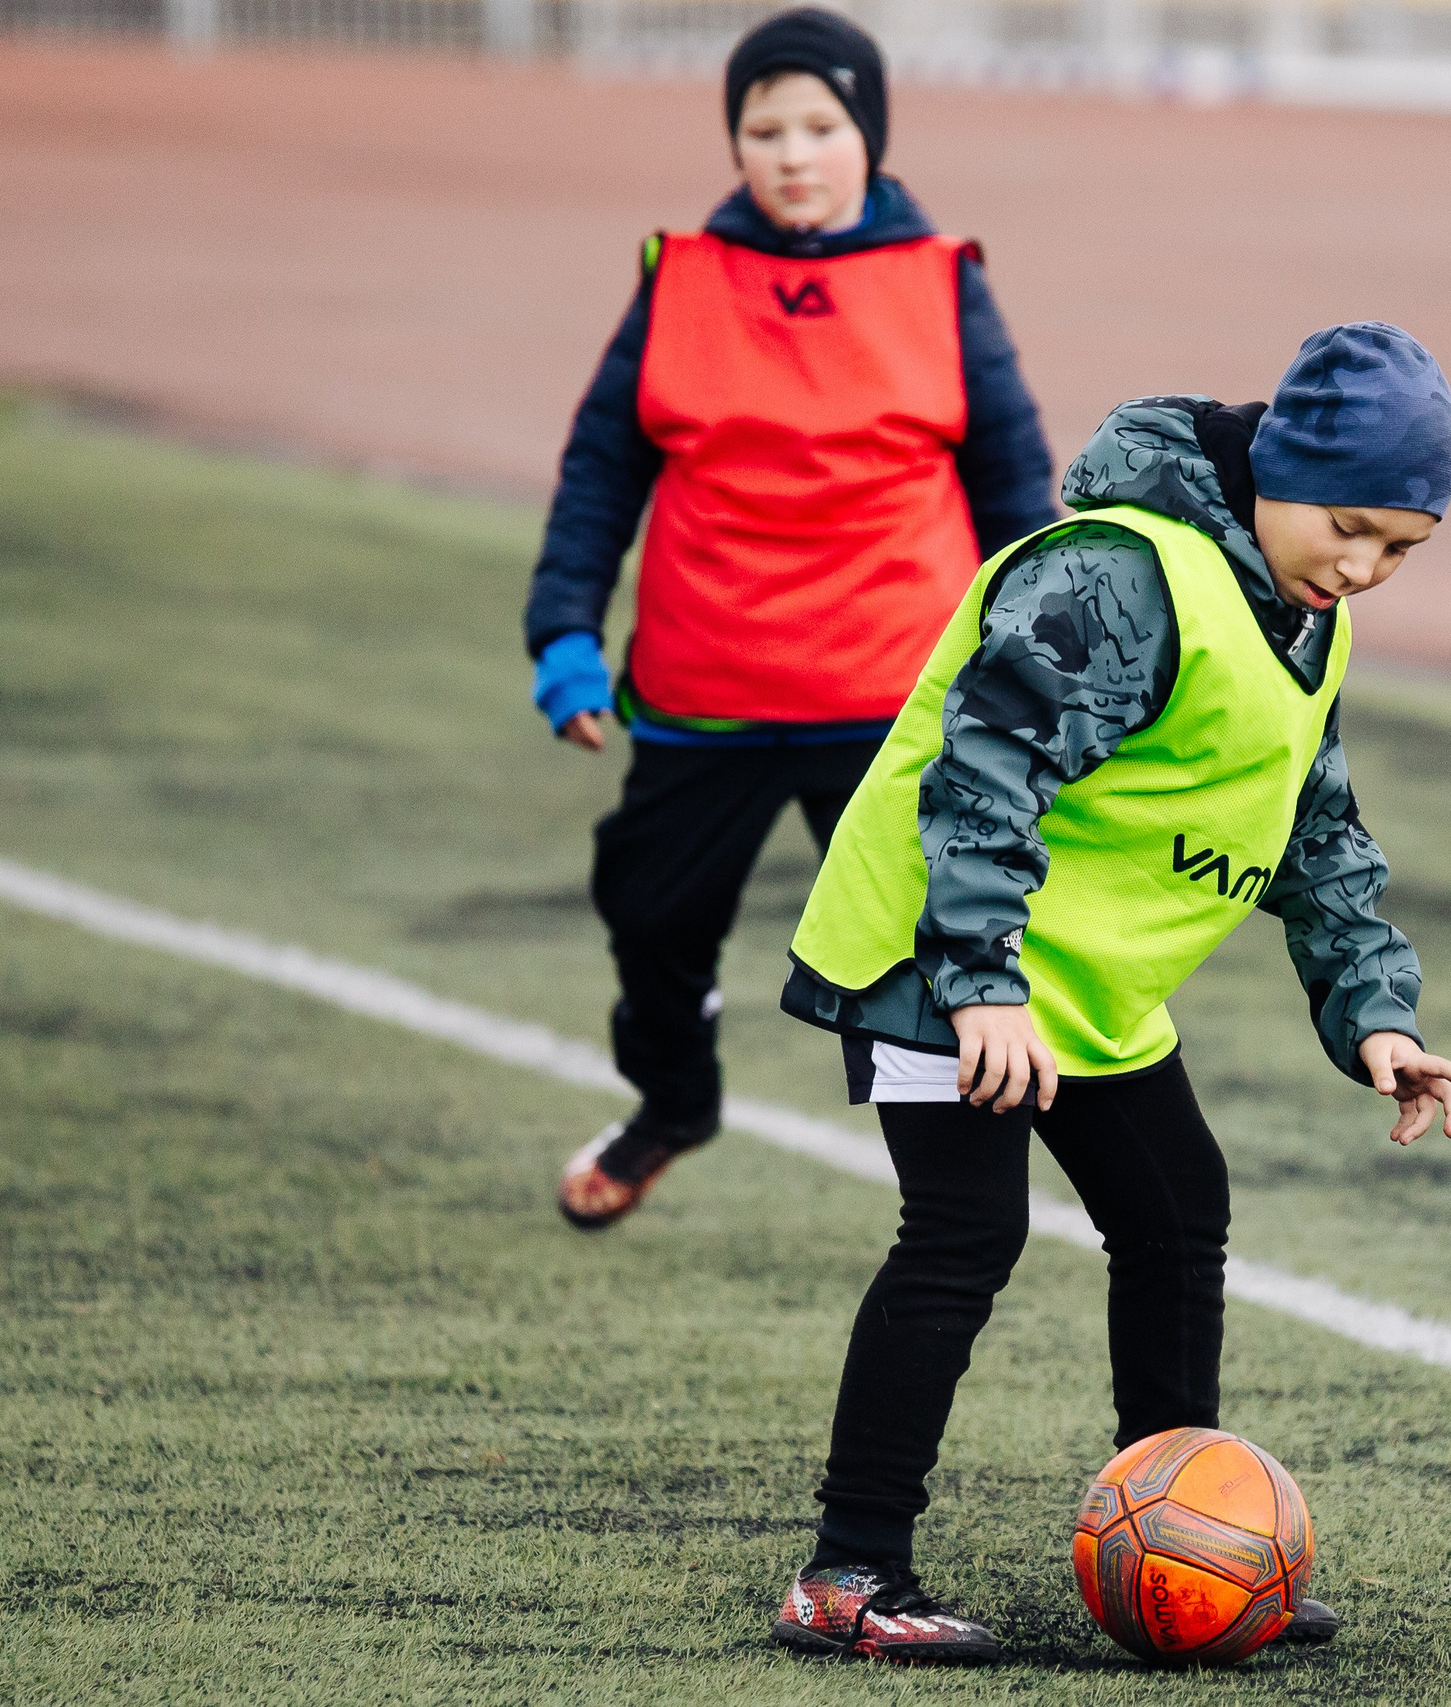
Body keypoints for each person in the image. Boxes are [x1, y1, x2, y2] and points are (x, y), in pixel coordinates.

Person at [767, 324, 1451, 1663]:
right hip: (939, 955)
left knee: (1175, 1210)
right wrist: (979, 983)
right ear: (1278, 468)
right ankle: (846, 1573)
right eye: (1348, 528)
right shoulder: (1117, 572)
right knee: (964, 1233)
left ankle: (1191, 1543)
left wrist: (1377, 1014)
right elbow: (981, 773)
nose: (1363, 568)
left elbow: (1317, 833)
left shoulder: (1304, 619)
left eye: (1401, 548)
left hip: (1077, 979)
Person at [521, 8, 1057, 1231]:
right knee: (650, 915)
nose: (794, 154)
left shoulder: (941, 279)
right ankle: (674, 1101)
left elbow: (1014, 488)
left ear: (868, 133)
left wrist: (1040, 663)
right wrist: (563, 634)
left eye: (821, 127)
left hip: (889, 693)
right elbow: (601, 468)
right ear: (735, 144)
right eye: (765, 131)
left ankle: (959, 1200)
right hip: (705, 685)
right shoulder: (679, 276)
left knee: (922, 946)